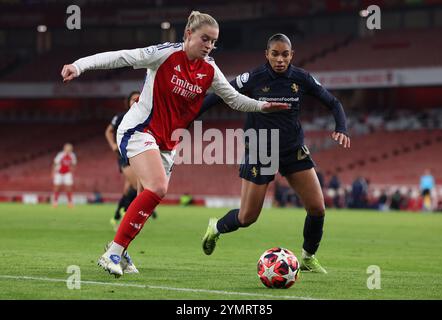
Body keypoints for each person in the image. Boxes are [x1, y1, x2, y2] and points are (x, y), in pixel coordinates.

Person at [61, 11, 288, 277]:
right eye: (205, 38)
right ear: (188, 34)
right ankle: (113, 251)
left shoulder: (209, 69)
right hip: (139, 129)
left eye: (213, 41)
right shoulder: (165, 53)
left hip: (168, 143)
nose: (209, 45)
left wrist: (263, 106)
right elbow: (122, 56)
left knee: (145, 197)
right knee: (158, 187)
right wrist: (79, 65)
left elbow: (234, 99)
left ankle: (121, 251)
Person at [200, 33, 350, 273]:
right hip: (261, 148)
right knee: (247, 218)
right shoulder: (253, 78)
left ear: (292, 55)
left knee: (317, 207)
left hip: (292, 148)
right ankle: (215, 228)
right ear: (266, 55)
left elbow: (334, 103)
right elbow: (218, 95)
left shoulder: (302, 78)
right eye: (275, 54)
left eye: (285, 54)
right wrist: (190, 117)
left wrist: (341, 127)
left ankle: (308, 257)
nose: (280, 59)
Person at [105, 91, 157, 232]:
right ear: (128, 102)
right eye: (133, 99)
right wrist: (113, 145)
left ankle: (116, 217)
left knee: (128, 189)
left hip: (138, 155)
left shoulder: (145, 117)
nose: (135, 101)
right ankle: (126, 213)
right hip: (125, 155)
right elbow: (108, 131)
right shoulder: (121, 117)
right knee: (136, 185)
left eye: (138, 99)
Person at [52, 143, 77, 208]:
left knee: (69, 188)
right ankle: (55, 202)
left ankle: (70, 202)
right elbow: (55, 163)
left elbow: (74, 164)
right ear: (64, 149)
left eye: (70, 149)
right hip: (59, 173)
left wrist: (72, 172)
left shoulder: (72, 155)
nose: (68, 150)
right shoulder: (60, 155)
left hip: (67, 173)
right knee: (57, 188)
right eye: (67, 148)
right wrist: (53, 172)